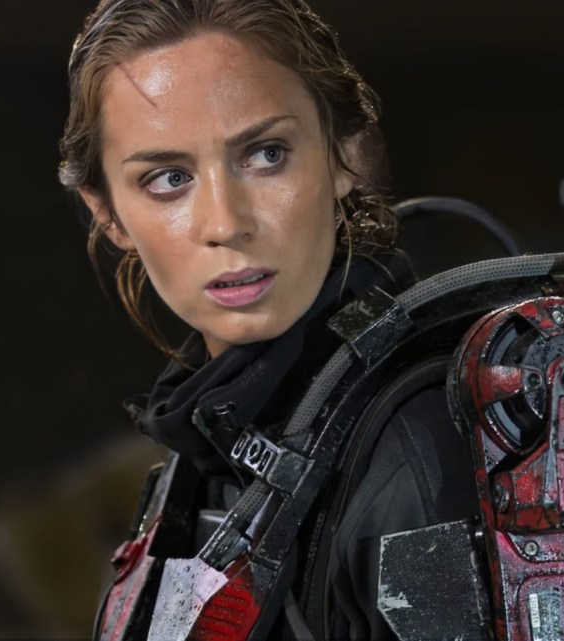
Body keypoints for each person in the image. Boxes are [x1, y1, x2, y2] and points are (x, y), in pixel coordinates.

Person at [58, 0, 477, 638]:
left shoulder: (418, 451)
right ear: (108, 213)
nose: (226, 223)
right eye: (168, 178)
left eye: (266, 154)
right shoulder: (211, 439)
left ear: (345, 155)